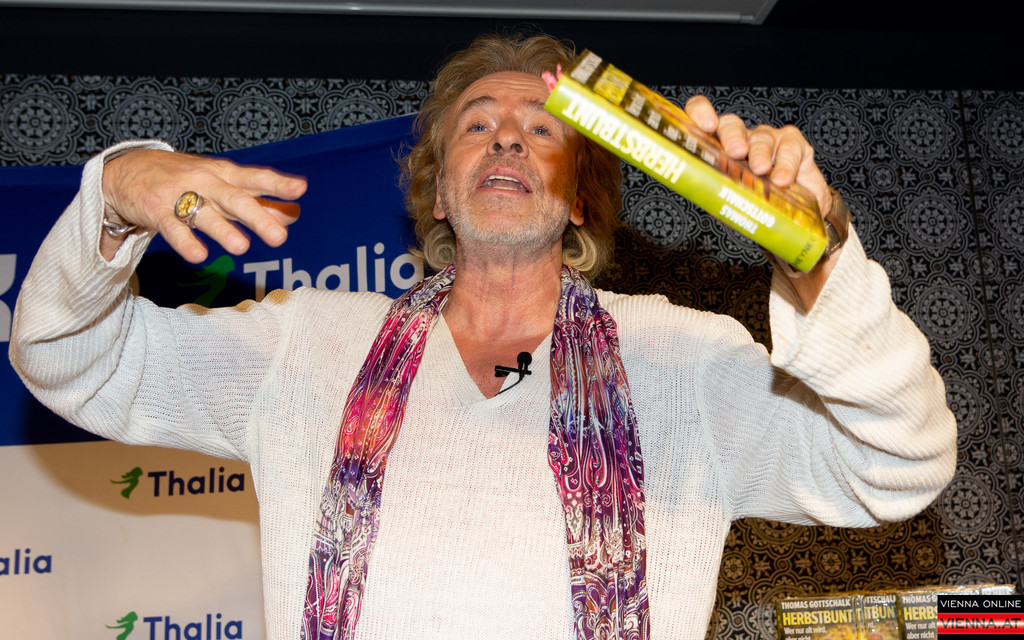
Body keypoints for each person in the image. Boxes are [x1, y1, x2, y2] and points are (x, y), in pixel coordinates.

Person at [9, 33, 956, 640]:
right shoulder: (308, 342)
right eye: (477, 124)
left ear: (580, 196)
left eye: (541, 129)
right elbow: (64, 359)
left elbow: (899, 466)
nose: (507, 139)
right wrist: (114, 194)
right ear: (438, 191)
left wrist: (816, 252)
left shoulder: (686, 359)